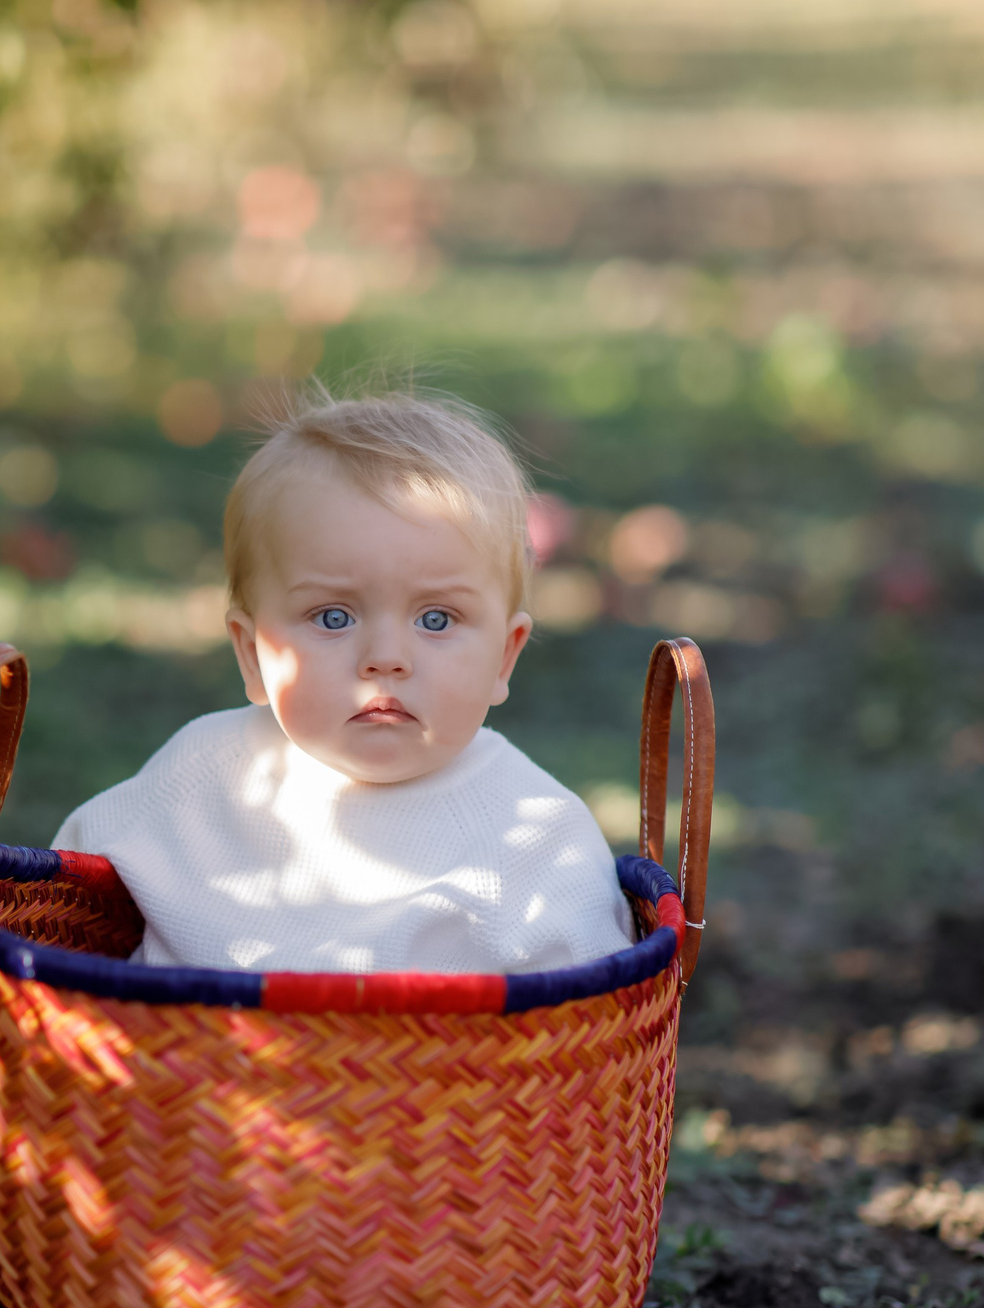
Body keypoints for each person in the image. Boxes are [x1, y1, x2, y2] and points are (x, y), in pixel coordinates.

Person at [53, 389, 633, 975]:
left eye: (436, 619)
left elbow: (594, 1028)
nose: (384, 658)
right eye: (333, 617)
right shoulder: (197, 777)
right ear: (253, 654)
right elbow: (60, 906)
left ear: (503, 659)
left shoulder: (535, 834)